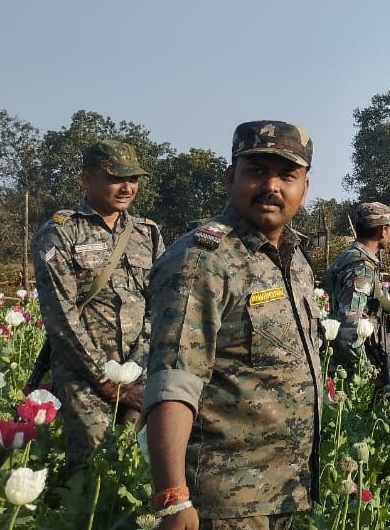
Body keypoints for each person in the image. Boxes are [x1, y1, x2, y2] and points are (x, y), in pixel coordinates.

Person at [144, 121, 322, 529]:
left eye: (287, 175)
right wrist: (172, 498)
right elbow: (174, 382)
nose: (271, 186)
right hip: (224, 501)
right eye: (256, 171)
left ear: (305, 188)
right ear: (230, 179)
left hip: (286, 491)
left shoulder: (293, 258)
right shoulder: (202, 260)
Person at [31, 139, 164, 472]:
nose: (126, 187)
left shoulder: (147, 233)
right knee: (92, 467)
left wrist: (136, 368)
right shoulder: (60, 233)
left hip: (138, 371)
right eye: (115, 178)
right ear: (87, 179)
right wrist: (107, 381)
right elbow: (60, 316)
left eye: (133, 179)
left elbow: (159, 304)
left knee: (138, 468)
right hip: (84, 377)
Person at [322, 202, 390, 399]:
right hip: (353, 370)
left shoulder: (347, 257)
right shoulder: (361, 267)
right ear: (383, 231)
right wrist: (368, 372)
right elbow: (349, 327)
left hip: (342, 360)